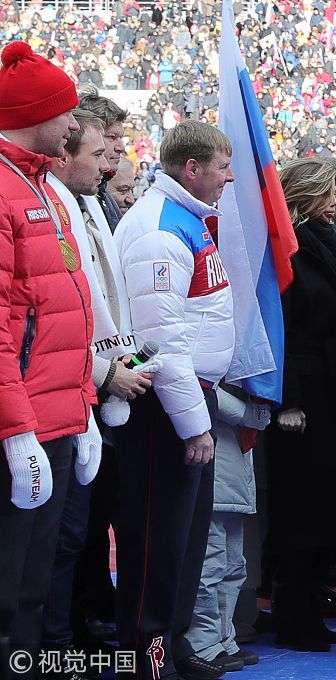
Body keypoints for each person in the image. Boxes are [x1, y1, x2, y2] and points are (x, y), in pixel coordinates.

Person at [113, 120, 235, 680]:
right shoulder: (160, 230)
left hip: (188, 397)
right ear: (193, 168)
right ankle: (149, 659)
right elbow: (160, 337)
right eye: (222, 166)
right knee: (158, 539)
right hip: (165, 405)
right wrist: (192, 424)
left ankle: (174, 644)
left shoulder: (187, 220)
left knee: (185, 535)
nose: (229, 177)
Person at [0, 40, 97, 676]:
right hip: (26, 421)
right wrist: (16, 434)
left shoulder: (41, 187)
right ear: (37, 113)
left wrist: (83, 408)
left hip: (58, 414)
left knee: (36, 583)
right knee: (10, 588)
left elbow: (70, 312)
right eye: (65, 113)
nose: (73, 124)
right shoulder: (6, 191)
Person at [42, 108, 151, 665]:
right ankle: (56, 646)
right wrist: (108, 372)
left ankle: (72, 633)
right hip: (59, 399)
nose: (110, 165)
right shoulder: (49, 208)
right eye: (101, 152)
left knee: (75, 535)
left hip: (88, 391)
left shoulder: (85, 205)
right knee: (57, 544)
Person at [266, 157, 336, 652]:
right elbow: (283, 328)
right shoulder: (286, 250)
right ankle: (293, 613)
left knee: (327, 502)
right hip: (305, 395)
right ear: (309, 196)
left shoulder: (325, 242)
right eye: (335, 190)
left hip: (332, 388)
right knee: (304, 506)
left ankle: (309, 606)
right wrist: (289, 400)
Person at [184, 384, 268, 670]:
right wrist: (248, 413)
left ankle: (222, 638)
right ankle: (202, 643)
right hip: (214, 457)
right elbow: (202, 384)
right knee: (210, 564)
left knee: (233, 565)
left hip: (236, 465)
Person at [76, 88, 128, 231]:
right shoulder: (72, 196)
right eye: (112, 137)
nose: (121, 147)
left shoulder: (104, 195)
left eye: (121, 138)